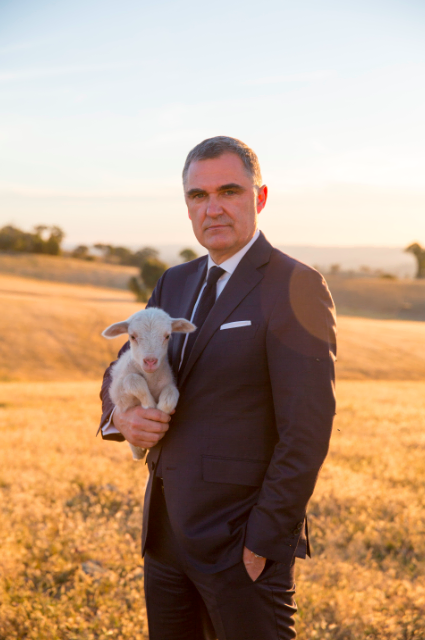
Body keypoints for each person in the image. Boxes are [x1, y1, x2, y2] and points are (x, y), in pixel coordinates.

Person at [98, 136, 337, 640]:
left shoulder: (296, 285)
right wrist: (121, 417)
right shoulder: (174, 281)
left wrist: (263, 542)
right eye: (198, 195)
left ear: (260, 197)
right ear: (187, 205)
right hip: (164, 536)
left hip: (240, 545)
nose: (213, 208)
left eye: (229, 191)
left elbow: (307, 429)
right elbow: (123, 365)